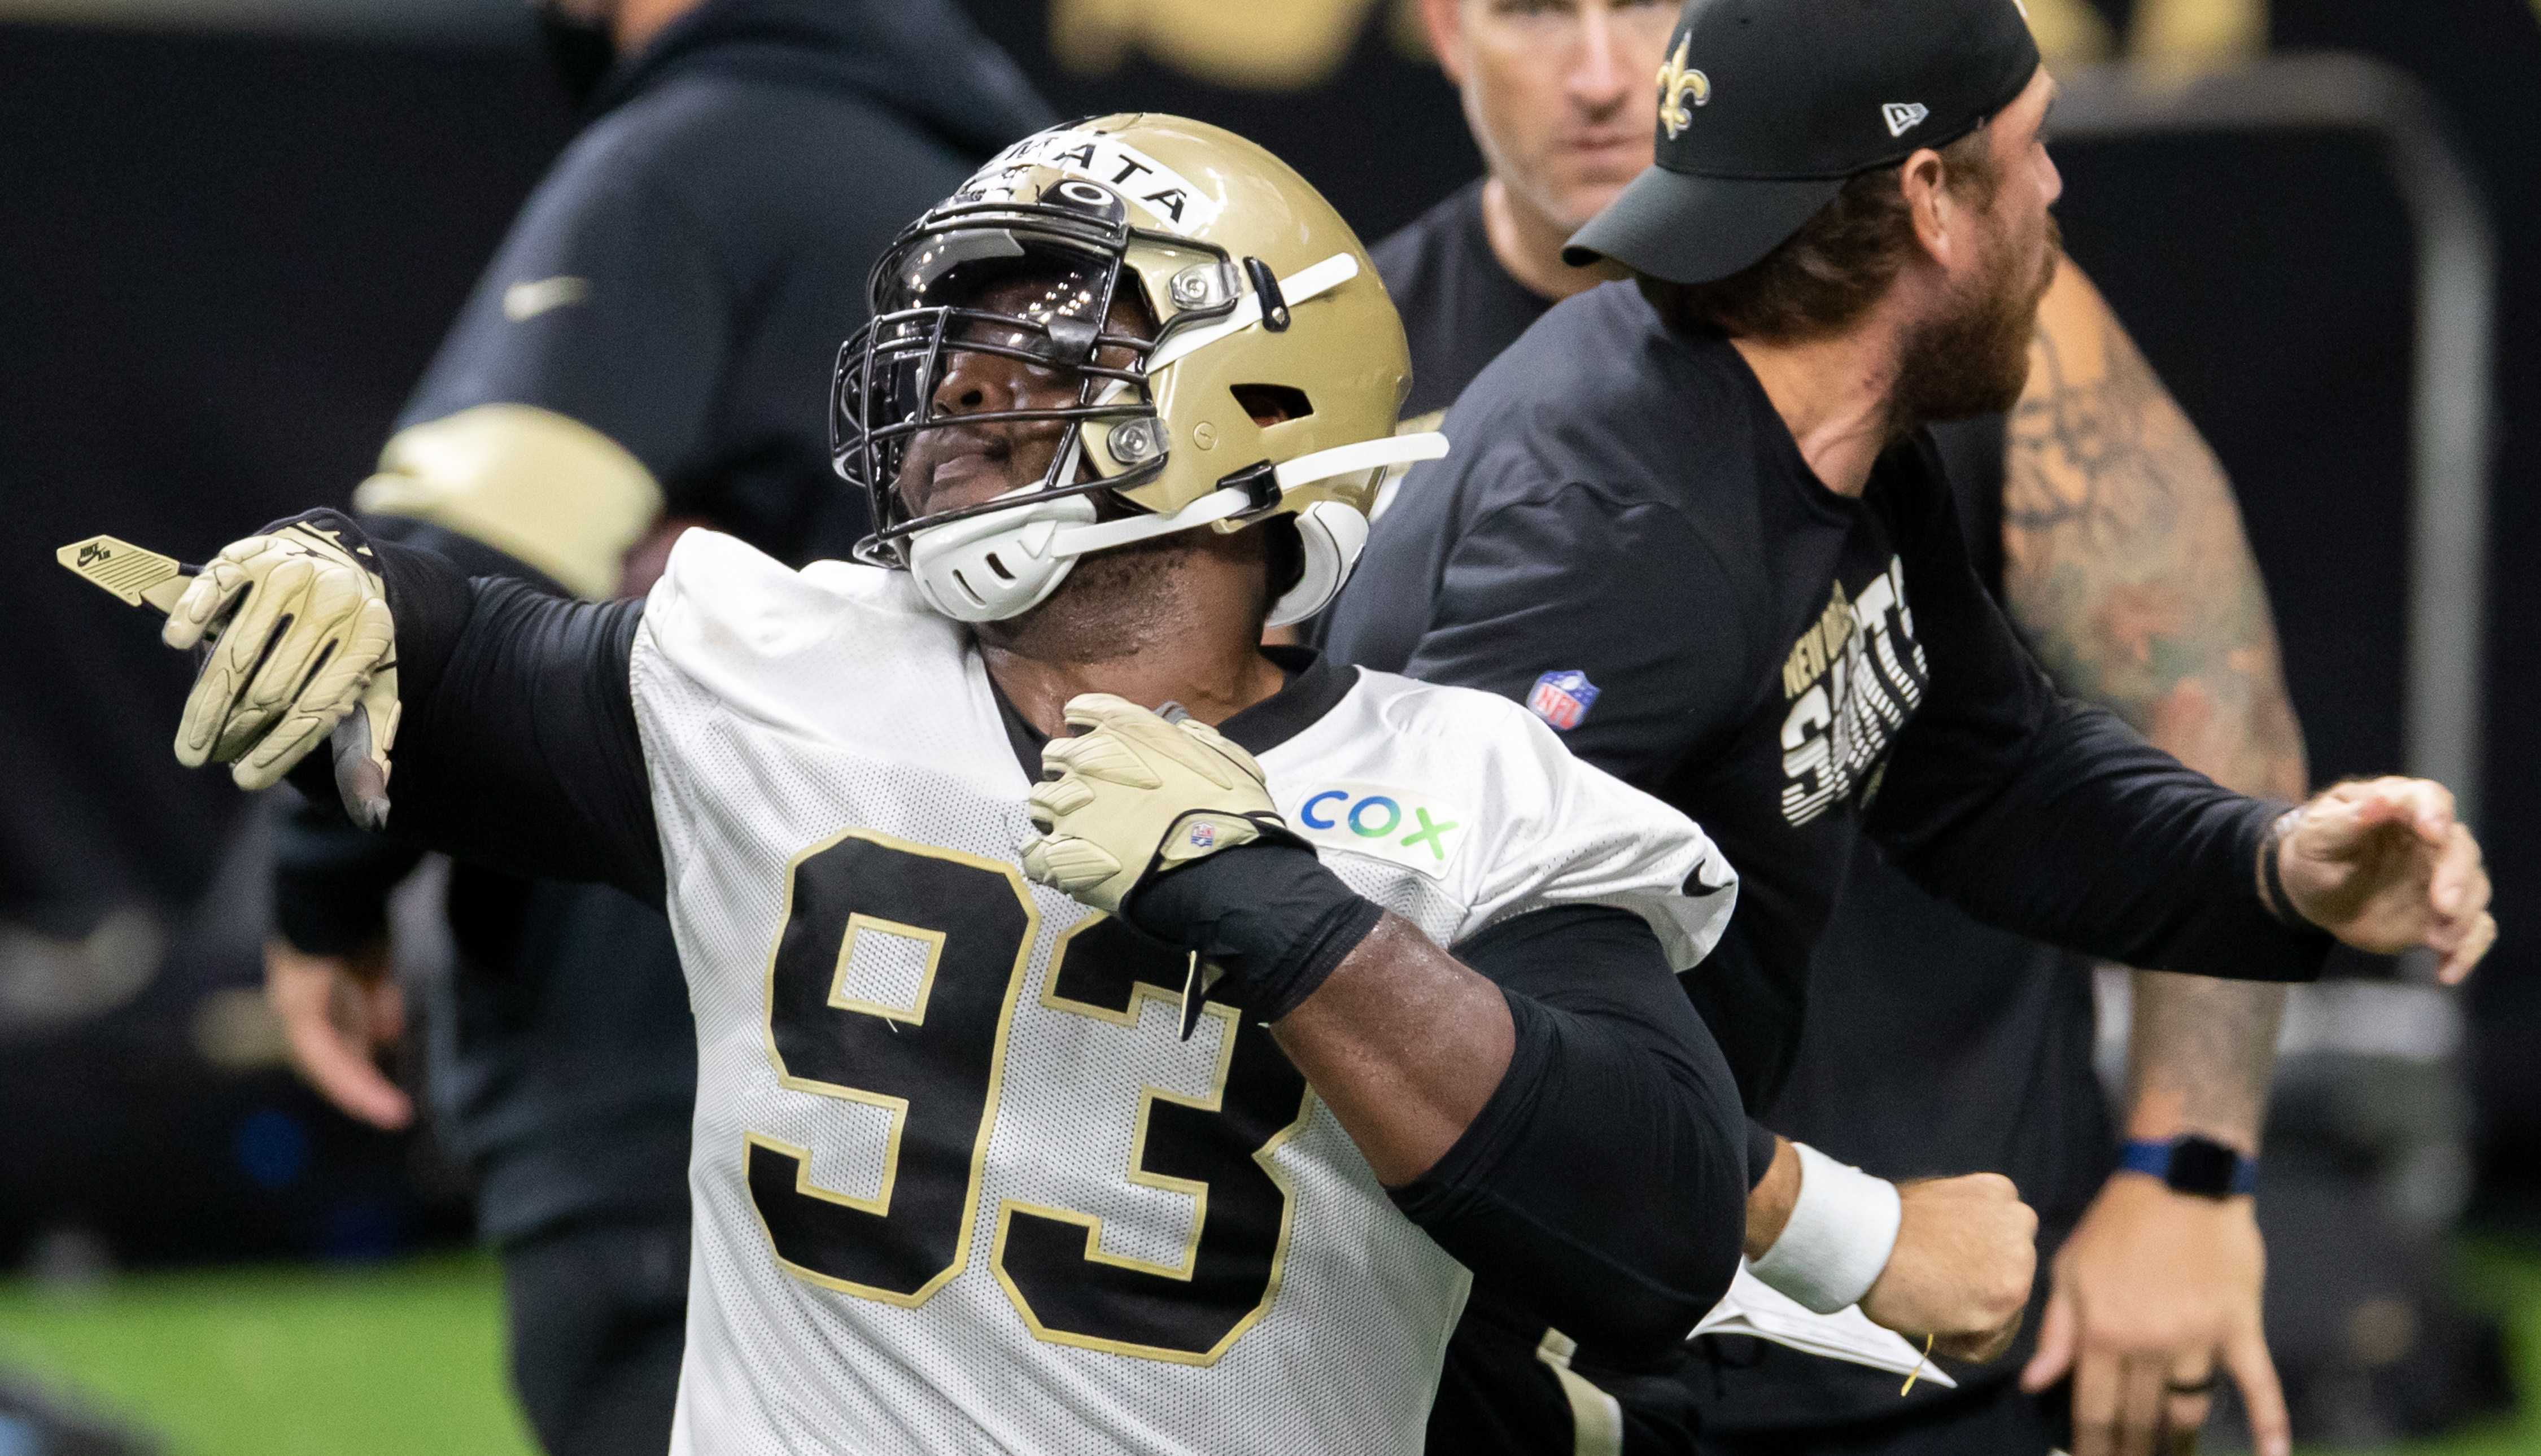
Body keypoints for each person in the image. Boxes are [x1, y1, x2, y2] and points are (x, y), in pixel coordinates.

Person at [139, 115, 1776, 1454]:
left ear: (1257, 396)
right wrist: (355, 576)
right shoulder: (778, 666)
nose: (966, 378)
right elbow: (480, 660)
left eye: (1053, 326)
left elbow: (1655, 1222)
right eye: (958, 330)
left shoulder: (1466, 791)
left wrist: (1278, 906)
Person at [1327, 6, 2495, 1456]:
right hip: (1538, 1365)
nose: (2061, 191)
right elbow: (1435, 991)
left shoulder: (1828, 430)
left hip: (1701, 1304)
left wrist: (2270, 873)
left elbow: (1985, 775)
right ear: (1933, 201)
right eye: (2036, 147)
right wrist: (1858, 1236)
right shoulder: (1626, 531)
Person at [257, 2, 1050, 1451]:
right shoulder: (1028, 194)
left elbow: (403, 613)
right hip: (1009, 1088)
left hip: (688, 1080)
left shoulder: (691, 164)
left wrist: (321, 892)